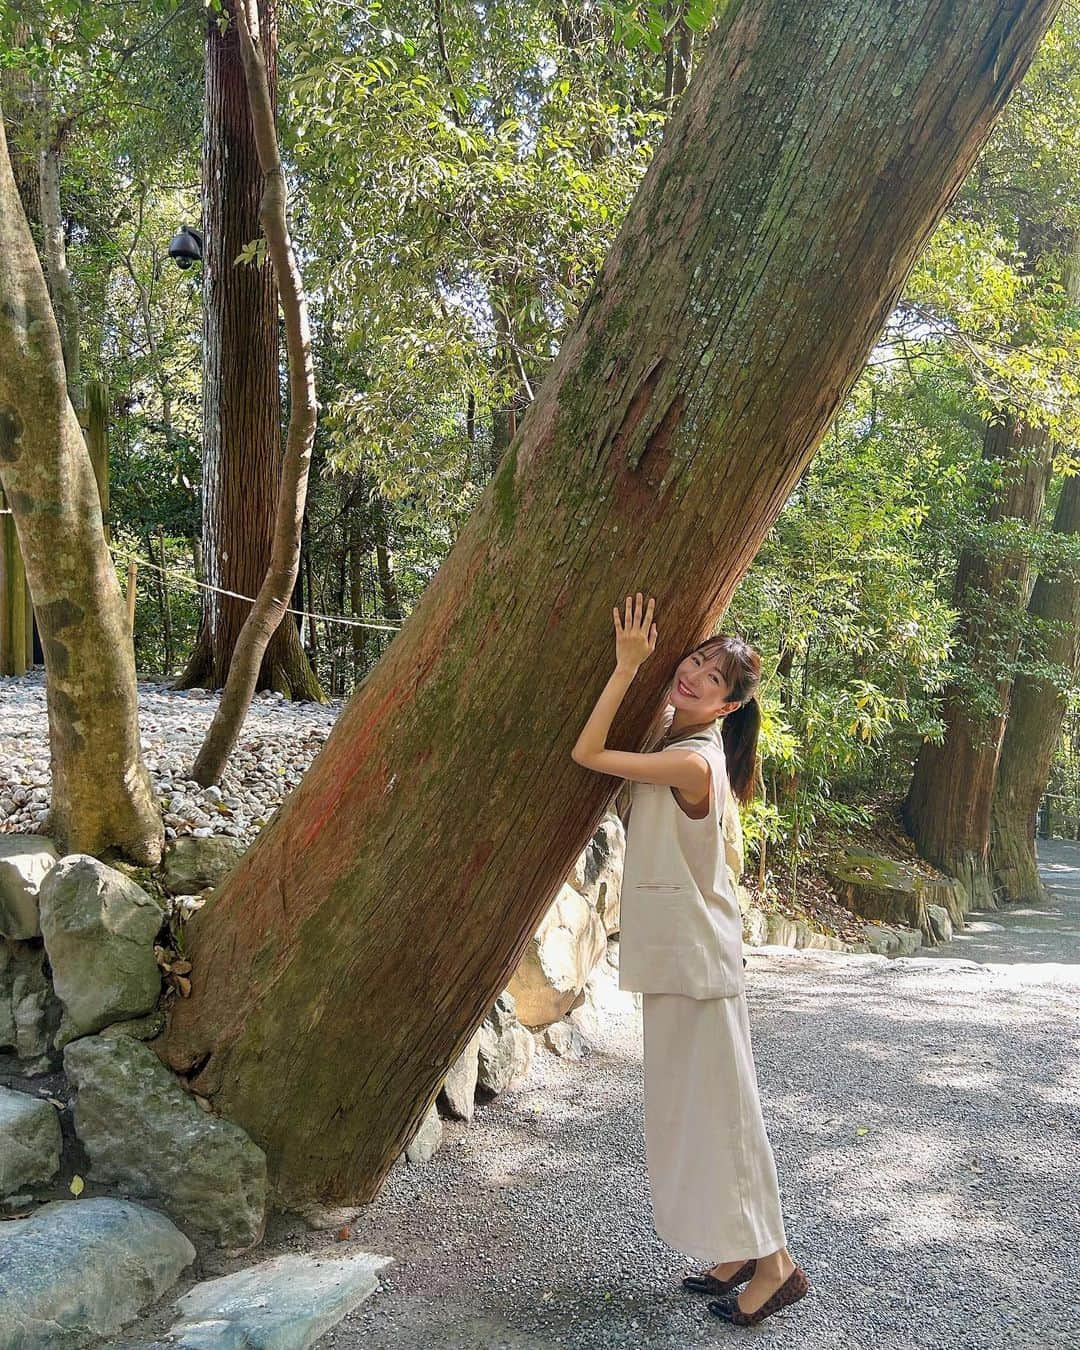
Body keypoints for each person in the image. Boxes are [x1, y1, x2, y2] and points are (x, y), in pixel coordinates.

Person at [570, 592, 810, 1328]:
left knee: (724, 1118)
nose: (695, 675)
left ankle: (776, 1266)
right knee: (696, 1115)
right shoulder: (685, 744)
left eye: (714, 677)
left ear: (731, 706)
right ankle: (737, 1251)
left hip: (699, 969)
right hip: (685, 962)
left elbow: (585, 755)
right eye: (697, 659)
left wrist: (624, 668)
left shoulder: (690, 762)